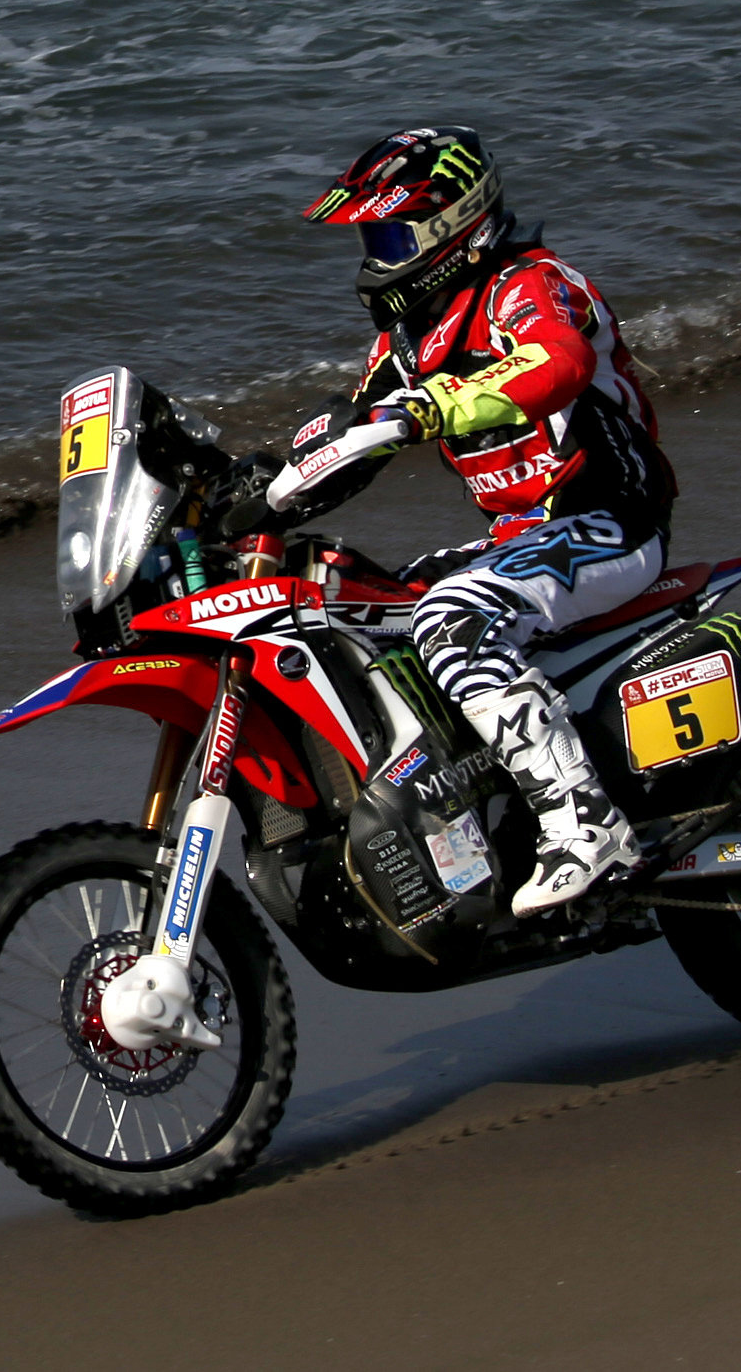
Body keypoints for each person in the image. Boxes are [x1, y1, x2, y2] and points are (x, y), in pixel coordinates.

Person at [284, 125, 678, 916]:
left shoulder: (528, 284)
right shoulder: (406, 338)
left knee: (451, 619)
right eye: (373, 235)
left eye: (390, 233)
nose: (376, 251)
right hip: (520, 539)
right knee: (364, 607)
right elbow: (350, 437)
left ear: (450, 225)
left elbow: (557, 360)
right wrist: (253, 489)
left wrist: (438, 405)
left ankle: (587, 821)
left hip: (608, 519)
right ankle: (463, 828)